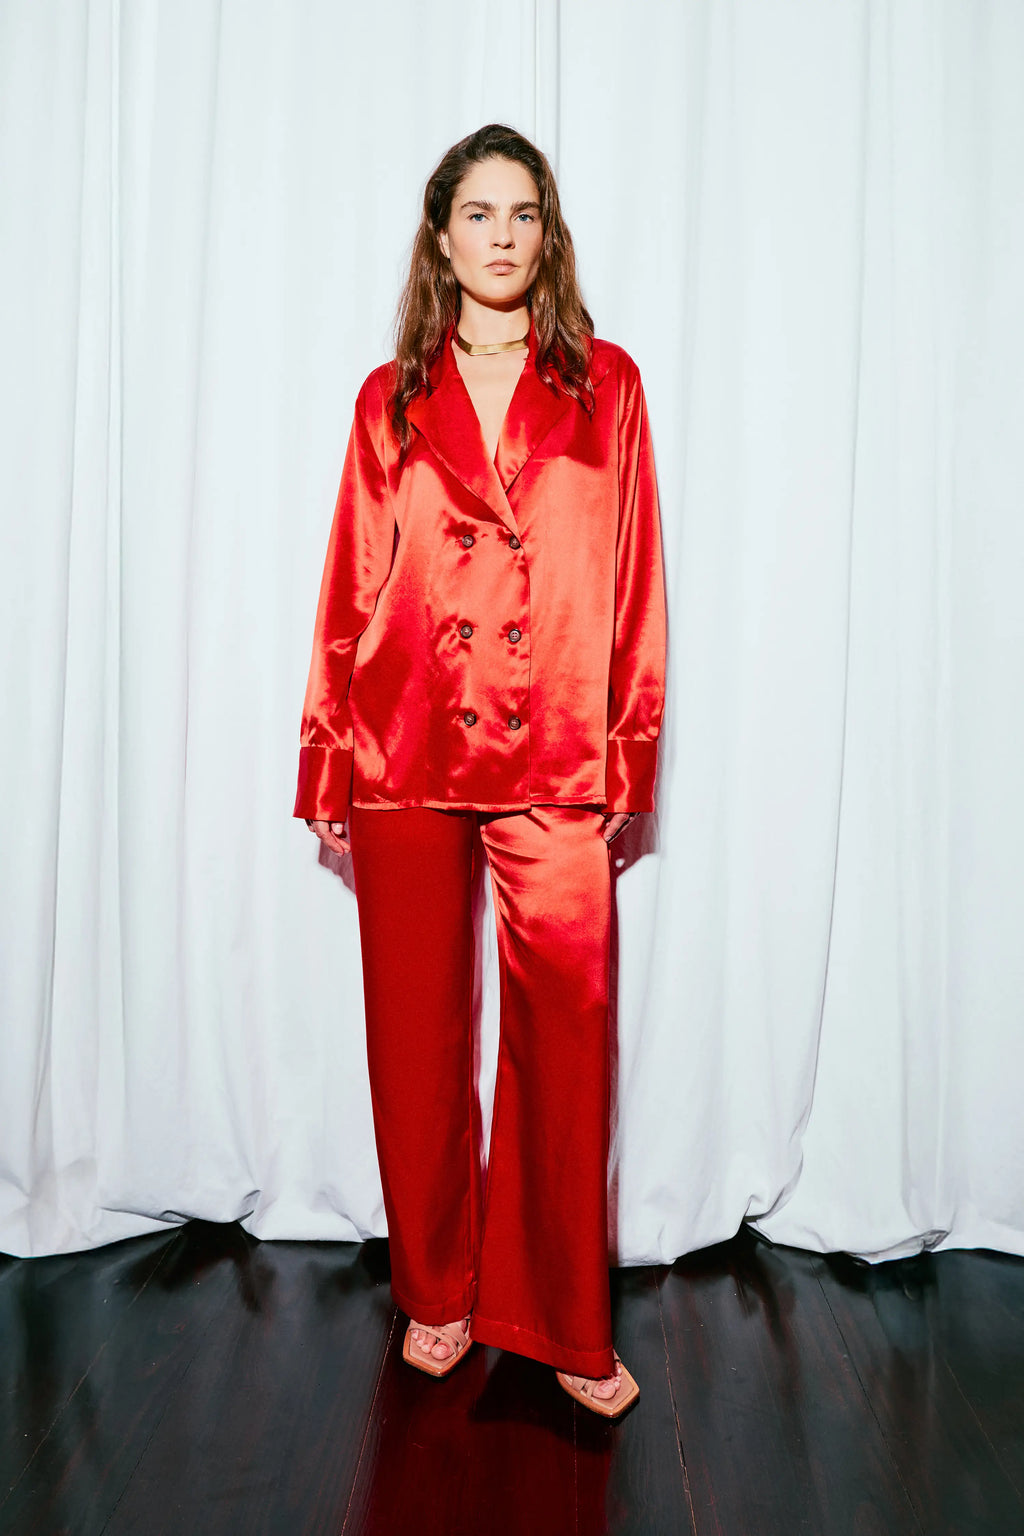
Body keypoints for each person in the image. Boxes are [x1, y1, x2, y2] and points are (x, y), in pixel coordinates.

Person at [294, 123, 666, 1420]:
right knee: (415, 1036)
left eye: (524, 215)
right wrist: (327, 758)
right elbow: (350, 585)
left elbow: (633, 583)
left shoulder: (605, 387)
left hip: (557, 749)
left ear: (545, 237)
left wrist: (628, 753)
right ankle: (438, 1293)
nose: (502, 237)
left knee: (567, 1036)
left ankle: (563, 1319)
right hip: (406, 739)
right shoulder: (388, 398)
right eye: (479, 215)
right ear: (441, 238)